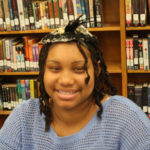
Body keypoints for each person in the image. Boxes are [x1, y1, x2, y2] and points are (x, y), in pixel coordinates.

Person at [0, 17, 150, 150]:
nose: (66, 80)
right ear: (43, 71)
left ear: (96, 70)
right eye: (55, 68)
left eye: (78, 69)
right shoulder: (23, 118)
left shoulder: (127, 120)